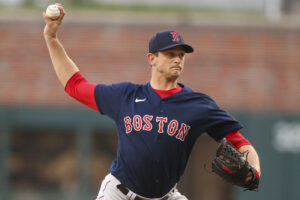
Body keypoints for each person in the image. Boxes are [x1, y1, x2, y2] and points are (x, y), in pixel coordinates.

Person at [43, 4, 261, 200]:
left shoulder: (198, 105)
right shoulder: (125, 95)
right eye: (170, 54)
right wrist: (52, 39)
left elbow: (239, 141)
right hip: (118, 193)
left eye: (181, 55)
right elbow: (75, 86)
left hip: (166, 196)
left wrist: (255, 170)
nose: (177, 59)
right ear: (152, 58)